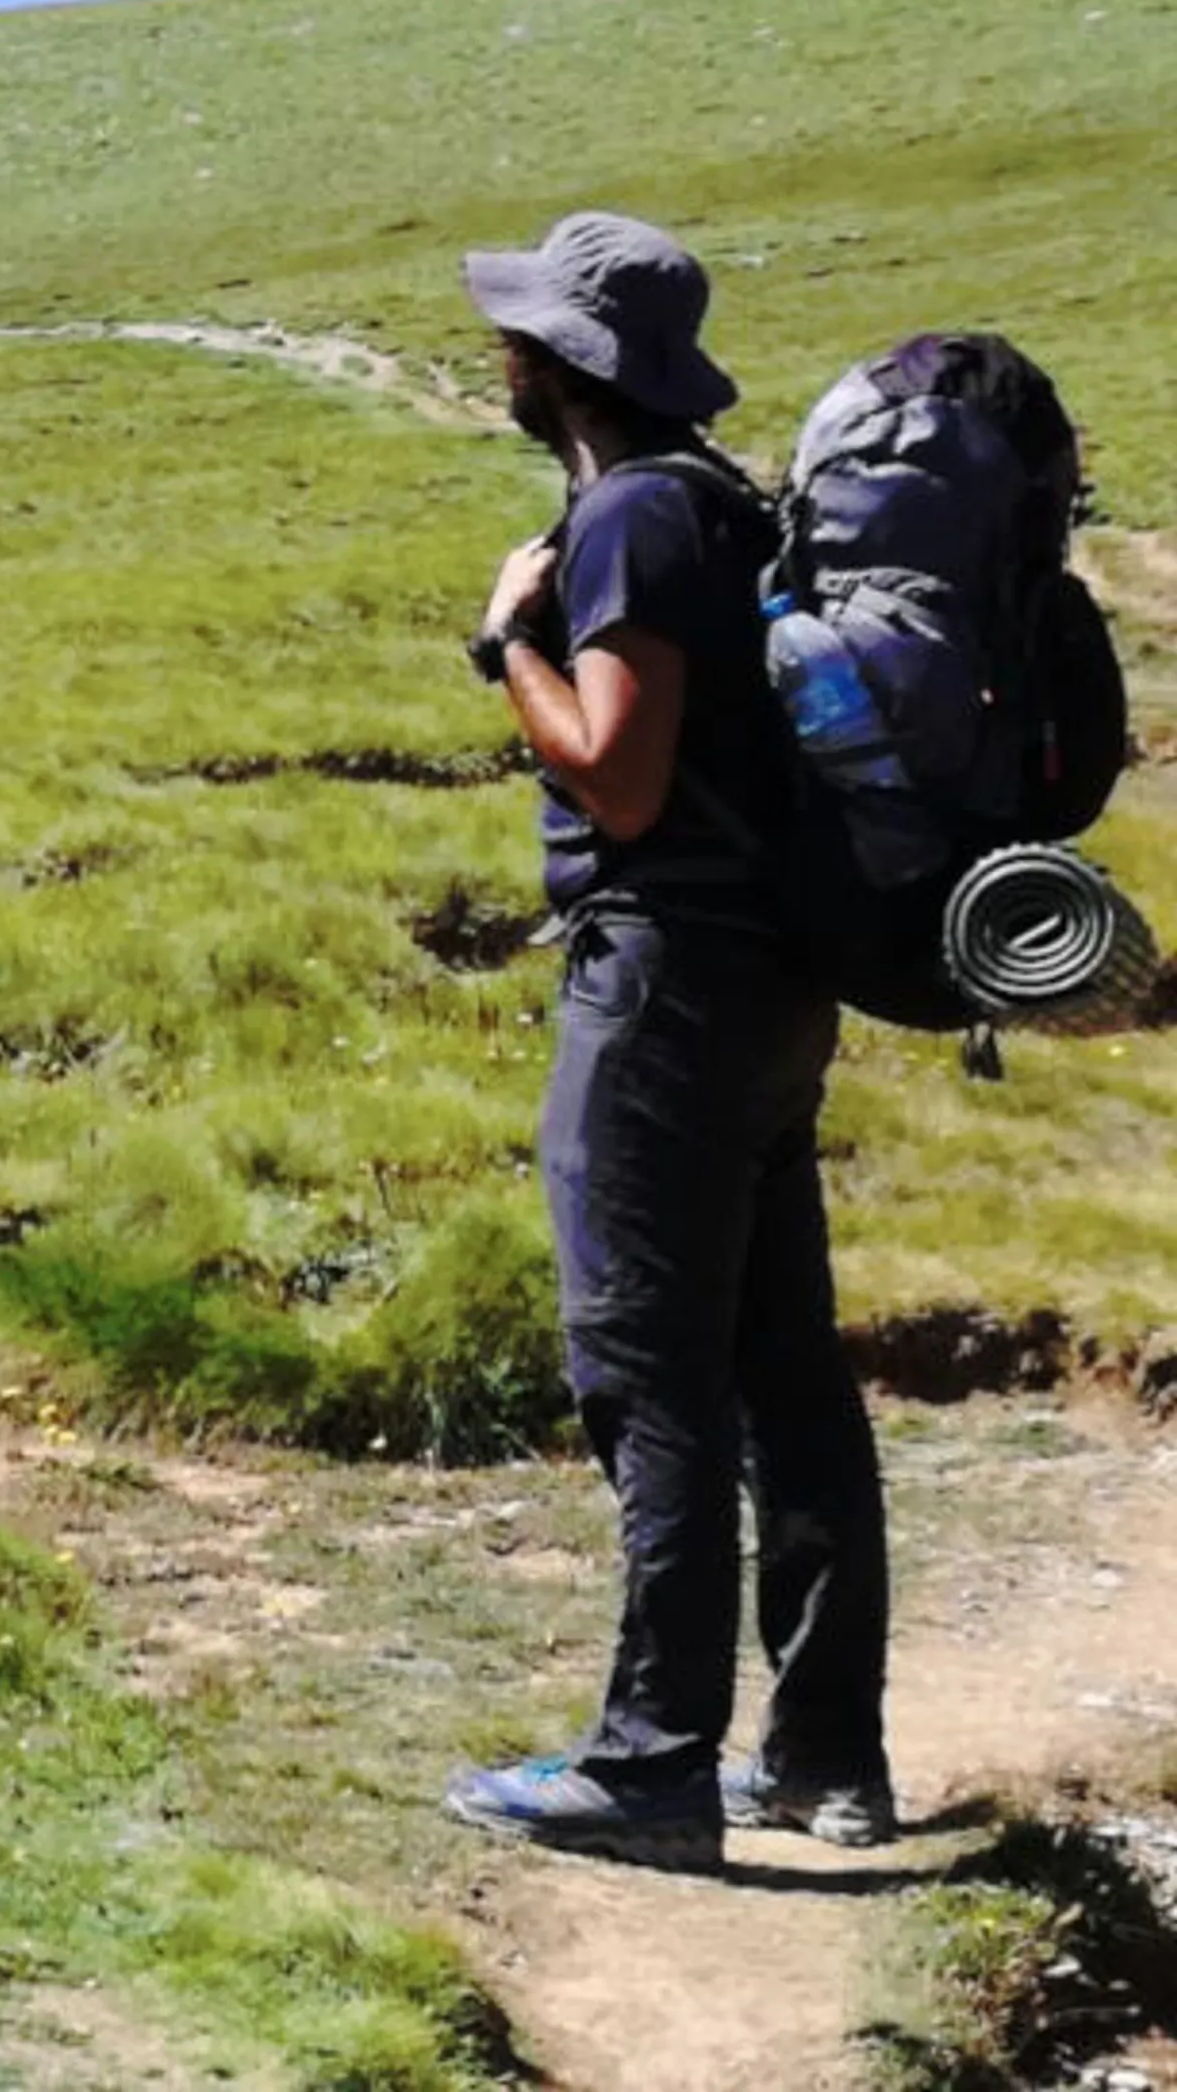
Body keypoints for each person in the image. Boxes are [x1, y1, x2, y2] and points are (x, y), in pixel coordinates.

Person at [440, 210, 894, 1872]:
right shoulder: (722, 503)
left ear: (561, 366)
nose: (496, 356)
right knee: (788, 1375)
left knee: (652, 1376)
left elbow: (620, 779)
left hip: (664, 990)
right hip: (772, 988)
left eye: (515, 336)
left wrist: (511, 645)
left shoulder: (632, 515)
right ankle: (828, 1759)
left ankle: (653, 1766)